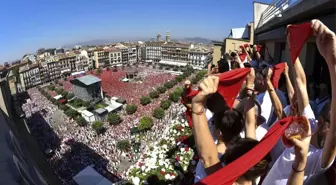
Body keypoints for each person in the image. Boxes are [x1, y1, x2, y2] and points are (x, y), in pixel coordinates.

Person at [262, 19, 336, 185]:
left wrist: (333, 61)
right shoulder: (310, 122)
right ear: (322, 122)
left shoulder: (321, 159)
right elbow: (301, 83)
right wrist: (292, 45)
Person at [191, 69, 270, 184]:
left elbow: (208, 158)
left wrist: (197, 106)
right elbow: (250, 122)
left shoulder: (227, 181)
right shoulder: (250, 175)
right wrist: (249, 87)